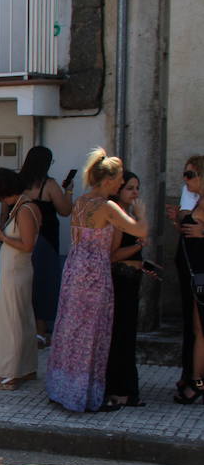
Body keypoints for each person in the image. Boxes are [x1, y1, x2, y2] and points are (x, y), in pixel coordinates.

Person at [46, 149, 147, 413]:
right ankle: (87, 397)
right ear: (108, 180)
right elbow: (139, 230)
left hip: (74, 269)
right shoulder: (106, 206)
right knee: (93, 333)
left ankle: (62, 389)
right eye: (120, 179)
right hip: (94, 274)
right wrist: (141, 212)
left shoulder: (81, 201)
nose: (121, 183)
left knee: (70, 331)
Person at [0, 167, 41, 390]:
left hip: (16, 271)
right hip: (16, 271)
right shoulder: (23, 206)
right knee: (21, 318)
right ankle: (25, 368)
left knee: (12, 321)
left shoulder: (25, 209)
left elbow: (27, 245)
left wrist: (1, 236)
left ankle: (9, 372)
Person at [18, 145, 74, 342]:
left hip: (18, 240)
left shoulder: (16, 183)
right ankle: (40, 330)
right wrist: (69, 191)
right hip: (45, 241)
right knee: (43, 283)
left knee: (23, 284)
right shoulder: (49, 185)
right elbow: (65, 210)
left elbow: (4, 212)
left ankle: (23, 328)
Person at [105, 172, 149, 408]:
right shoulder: (119, 218)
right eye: (130, 188)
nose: (135, 193)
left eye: (137, 188)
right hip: (121, 280)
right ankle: (120, 390)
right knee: (121, 336)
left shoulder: (128, 217)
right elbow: (113, 254)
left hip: (131, 280)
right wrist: (138, 246)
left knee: (126, 336)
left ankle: (124, 389)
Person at [167, 154, 204, 404]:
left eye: (190, 175)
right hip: (191, 271)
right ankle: (193, 379)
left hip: (200, 273)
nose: (185, 179)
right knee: (195, 329)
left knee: (201, 330)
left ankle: (198, 383)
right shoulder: (196, 199)